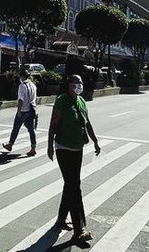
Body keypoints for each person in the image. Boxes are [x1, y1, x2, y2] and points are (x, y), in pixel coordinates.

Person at [47, 73, 100, 244]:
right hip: (63, 147)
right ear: (68, 84)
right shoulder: (62, 100)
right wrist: (49, 146)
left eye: (81, 82)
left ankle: (61, 219)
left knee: (70, 184)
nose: (79, 85)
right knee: (74, 186)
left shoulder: (82, 101)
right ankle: (79, 229)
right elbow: (53, 123)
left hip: (78, 148)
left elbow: (87, 122)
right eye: (76, 82)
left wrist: (95, 141)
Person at [3, 66, 38, 156]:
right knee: (31, 130)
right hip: (32, 110)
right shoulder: (33, 85)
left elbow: (20, 100)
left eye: (20, 76)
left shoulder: (22, 86)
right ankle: (33, 148)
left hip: (23, 110)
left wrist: (19, 110)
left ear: (22, 77)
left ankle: (10, 144)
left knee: (16, 128)